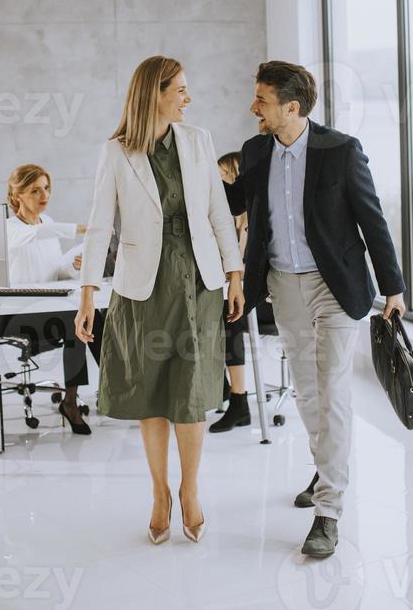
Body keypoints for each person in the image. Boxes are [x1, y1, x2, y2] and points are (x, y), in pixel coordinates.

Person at [224, 60, 406, 558]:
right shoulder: (256, 150)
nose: (253, 107)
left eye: (261, 100)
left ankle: (328, 510)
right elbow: (232, 201)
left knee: (333, 391)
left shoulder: (340, 150)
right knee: (306, 393)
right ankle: (324, 467)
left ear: (292, 107)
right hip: (283, 286)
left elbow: (373, 219)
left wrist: (393, 286)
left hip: (335, 287)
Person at [75, 56, 244, 545]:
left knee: (190, 392)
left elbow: (217, 211)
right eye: (181, 90)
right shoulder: (116, 152)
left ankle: (190, 490)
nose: (189, 98)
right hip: (142, 286)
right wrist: (87, 294)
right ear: (156, 93)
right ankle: (159, 493)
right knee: (152, 392)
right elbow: (100, 225)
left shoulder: (198, 141)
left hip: (199, 281)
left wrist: (234, 273)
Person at [0, 164, 107, 435]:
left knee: (86, 318)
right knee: (74, 320)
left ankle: (80, 398)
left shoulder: (49, 223)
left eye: (46, 188)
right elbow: (35, 235)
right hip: (16, 314)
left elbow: (54, 271)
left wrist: (75, 265)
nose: (45, 195)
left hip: (47, 307)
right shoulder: (8, 228)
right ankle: (94, 396)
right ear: (17, 195)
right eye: (35, 190)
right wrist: (84, 228)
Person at [208, 152, 251, 434]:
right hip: (234, 293)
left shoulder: (250, 217)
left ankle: (239, 399)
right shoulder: (228, 221)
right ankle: (221, 386)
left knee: (229, 321)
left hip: (262, 300)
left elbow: (246, 264)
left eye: (222, 174)